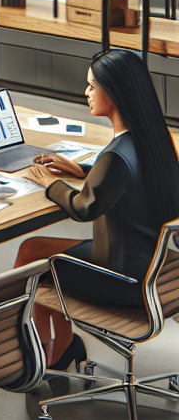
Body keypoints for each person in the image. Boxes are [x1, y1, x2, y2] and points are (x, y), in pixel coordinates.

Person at [14, 48, 179, 371]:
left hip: (123, 279)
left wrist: (50, 182)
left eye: (92, 86)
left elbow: (83, 207)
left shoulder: (117, 156)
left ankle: (45, 355)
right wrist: (85, 171)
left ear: (114, 92)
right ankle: (63, 347)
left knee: (33, 264)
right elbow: (129, 180)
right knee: (34, 249)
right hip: (154, 271)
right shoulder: (156, 142)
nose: (86, 92)